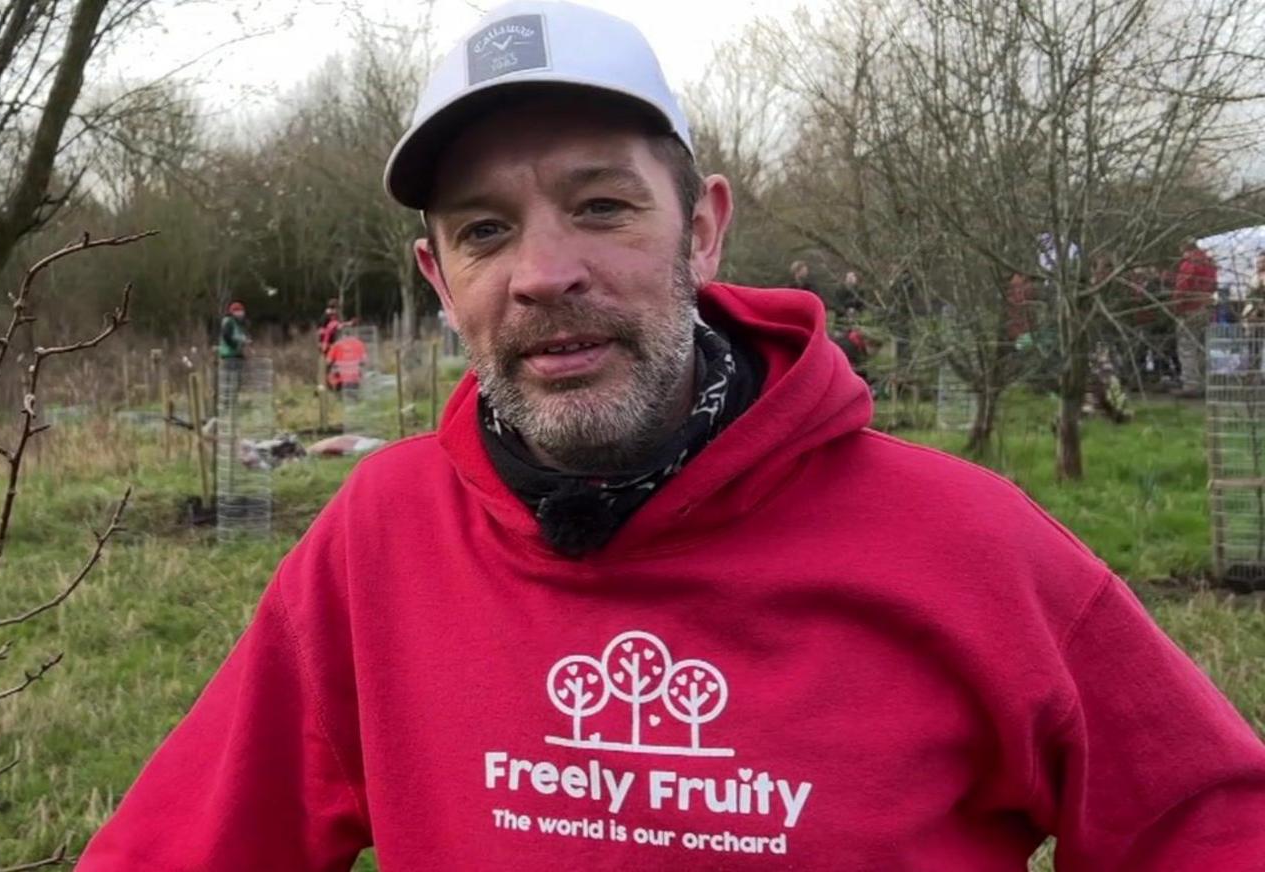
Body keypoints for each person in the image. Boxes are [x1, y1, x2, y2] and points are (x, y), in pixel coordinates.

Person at [79, 3, 1265, 869]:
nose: (544, 274)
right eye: (488, 231)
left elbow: (1208, 823)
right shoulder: (378, 540)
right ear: (441, 278)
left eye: (602, 205)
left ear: (702, 230)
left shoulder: (967, 545)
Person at [1173, 239, 1218, 396]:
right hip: (1206, 307)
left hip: (1189, 309)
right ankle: (1205, 382)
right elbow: (1214, 286)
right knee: (1202, 346)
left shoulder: (1188, 264)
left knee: (1187, 347)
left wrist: (1176, 307)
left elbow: (1182, 289)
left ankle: (1191, 384)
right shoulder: (1209, 264)